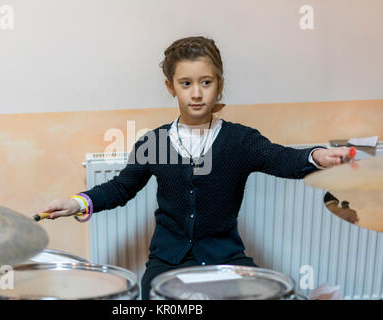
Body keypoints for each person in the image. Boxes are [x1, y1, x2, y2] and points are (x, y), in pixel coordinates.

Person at [38, 36, 353, 300]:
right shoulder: (154, 142)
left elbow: (282, 159)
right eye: (186, 83)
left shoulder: (240, 140)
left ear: (219, 84)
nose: (197, 92)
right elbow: (121, 188)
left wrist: (316, 156)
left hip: (226, 258)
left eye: (206, 82)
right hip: (167, 260)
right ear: (170, 86)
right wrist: (77, 202)